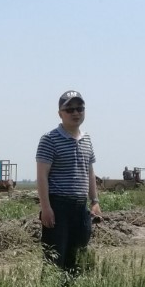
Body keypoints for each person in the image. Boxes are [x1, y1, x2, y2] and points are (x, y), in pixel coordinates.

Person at [36, 90, 102, 276]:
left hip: (81, 208)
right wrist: (46, 208)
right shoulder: (49, 139)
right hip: (59, 207)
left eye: (79, 108)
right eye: (70, 109)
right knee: (55, 260)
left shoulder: (87, 139)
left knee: (78, 258)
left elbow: (89, 172)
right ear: (60, 113)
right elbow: (41, 176)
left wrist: (95, 201)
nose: (75, 113)